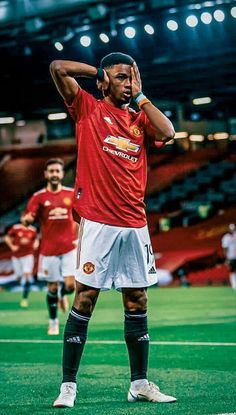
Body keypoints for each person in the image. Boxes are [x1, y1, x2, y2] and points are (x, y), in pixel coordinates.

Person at [50, 52, 176, 407]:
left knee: (137, 299)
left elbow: (168, 131)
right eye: (122, 78)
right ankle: (68, 386)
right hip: (98, 222)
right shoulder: (87, 108)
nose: (127, 84)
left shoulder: (140, 117)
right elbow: (57, 68)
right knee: (85, 298)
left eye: (131, 78)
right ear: (106, 80)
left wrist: (141, 95)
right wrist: (99, 74)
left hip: (135, 224)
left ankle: (139, 384)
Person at [21, 158, 77, 334]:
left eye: (57, 171)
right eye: (51, 171)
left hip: (69, 247)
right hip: (49, 250)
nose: (54, 174)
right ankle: (53, 322)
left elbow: (80, 215)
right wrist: (27, 220)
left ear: (62, 174)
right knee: (51, 287)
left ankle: (63, 295)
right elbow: (27, 217)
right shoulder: (39, 197)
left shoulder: (70, 194)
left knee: (70, 286)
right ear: (46, 174)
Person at [5, 222, 38, 307]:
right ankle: (22, 283)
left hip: (28, 255)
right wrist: (12, 246)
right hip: (16, 257)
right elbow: (7, 238)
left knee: (27, 275)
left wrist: (36, 244)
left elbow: (36, 239)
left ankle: (24, 298)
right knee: (19, 277)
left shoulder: (33, 230)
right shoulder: (15, 228)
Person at [221, 223, 236, 289]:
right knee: (232, 270)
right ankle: (234, 284)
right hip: (231, 256)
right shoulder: (226, 237)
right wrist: (226, 258)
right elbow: (225, 248)